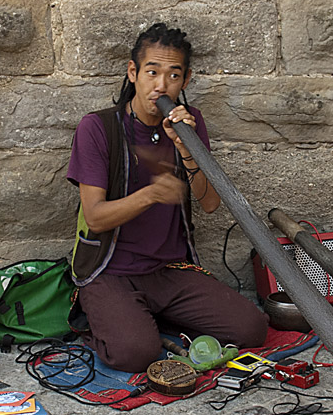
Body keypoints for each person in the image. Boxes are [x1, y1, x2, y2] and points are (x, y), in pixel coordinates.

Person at [66, 23, 269, 373]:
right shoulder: (98, 128)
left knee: (252, 328)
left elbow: (210, 203)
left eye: (173, 75)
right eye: (152, 72)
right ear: (133, 73)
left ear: (185, 80)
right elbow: (96, 216)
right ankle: (118, 320)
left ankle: (145, 318)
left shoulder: (190, 124)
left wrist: (186, 149)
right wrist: (151, 195)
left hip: (169, 269)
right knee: (134, 354)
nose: (161, 85)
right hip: (110, 270)